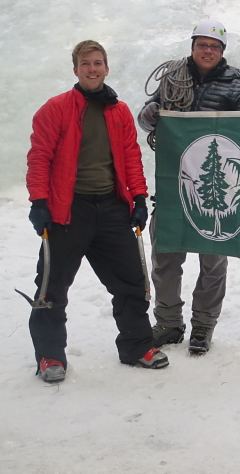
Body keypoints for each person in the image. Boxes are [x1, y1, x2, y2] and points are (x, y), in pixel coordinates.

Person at [25, 40, 168, 383]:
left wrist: (138, 198)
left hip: (111, 208)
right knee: (51, 286)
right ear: (76, 69)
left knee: (133, 282)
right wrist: (39, 202)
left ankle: (136, 347)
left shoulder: (117, 111)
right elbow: (39, 157)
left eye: (98, 63)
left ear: (107, 68)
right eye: (86, 63)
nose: (92, 69)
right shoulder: (55, 109)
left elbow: (131, 156)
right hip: (67, 211)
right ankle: (49, 356)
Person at [138, 19, 240, 355]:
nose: (207, 51)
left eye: (214, 47)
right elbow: (144, 119)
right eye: (202, 44)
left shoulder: (236, 88)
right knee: (166, 258)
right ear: (192, 47)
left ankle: (203, 325)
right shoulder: (174, 78)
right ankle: (169, 322)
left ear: (222, 52)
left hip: (218, 190)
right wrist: (156, 110)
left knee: (213, 260)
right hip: (174, 185)